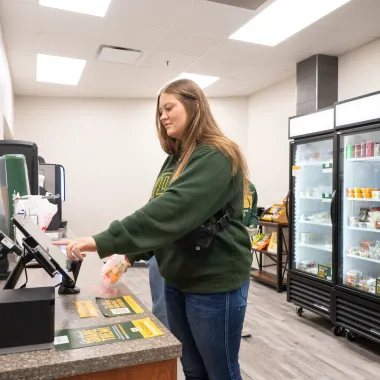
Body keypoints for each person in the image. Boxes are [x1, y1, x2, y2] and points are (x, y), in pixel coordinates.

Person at [57, 79, 252, 380]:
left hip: (213, 283)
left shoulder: (217, 155)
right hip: (176, 278)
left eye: (168, 108)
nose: (162, 117)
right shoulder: (175, 159)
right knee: (191, 368)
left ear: (194, 105)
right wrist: (129, 254)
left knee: (220, 371)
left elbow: (171, 211)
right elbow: (160, 216)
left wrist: (102, 240)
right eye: (159, 111)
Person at [240, 181, 258, 338]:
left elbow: (253, 213)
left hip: (245, 241)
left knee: (243, 283)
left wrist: (253, 224)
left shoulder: (251, 188)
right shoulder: (226, 183)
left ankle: (240, 323)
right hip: (229, 240)